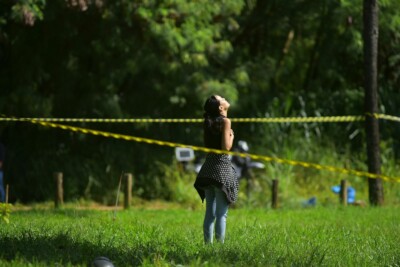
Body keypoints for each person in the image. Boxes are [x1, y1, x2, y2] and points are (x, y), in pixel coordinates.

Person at [194, 95, 238, 244]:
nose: (226, 98)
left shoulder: (208, 123)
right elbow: (225, 148)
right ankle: (219, 249)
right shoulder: (226, 121)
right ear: (221, 107)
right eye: (222, 98)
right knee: (221, 214)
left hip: (208, 169)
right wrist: (231, 136)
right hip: (221, 170)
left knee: (209, 214)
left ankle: (208, 246)